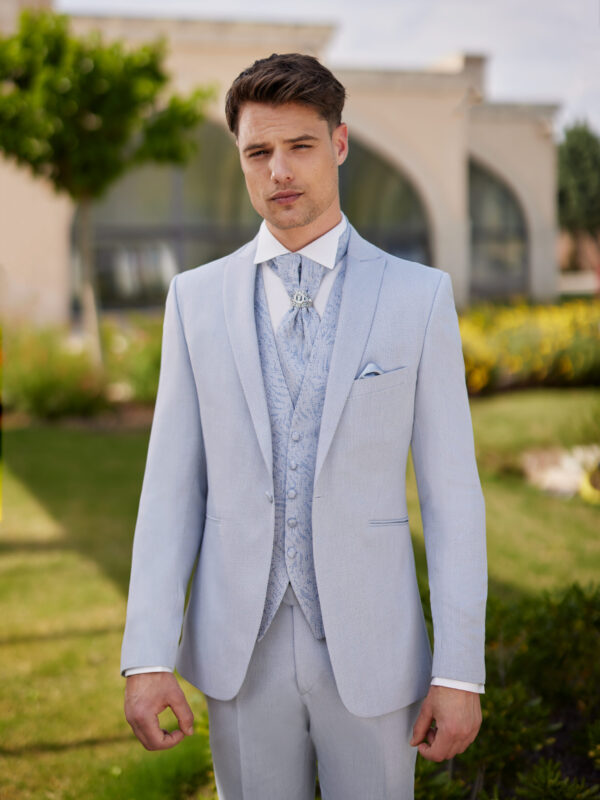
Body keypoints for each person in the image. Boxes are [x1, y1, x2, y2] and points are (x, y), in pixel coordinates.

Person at [121, 53, 487, 800]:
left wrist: (458, 670)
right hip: (238, 652)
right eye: (258, 152)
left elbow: (454, 498)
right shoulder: (194, 300)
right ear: (242, 160)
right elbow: (169, 492)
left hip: (376, 648)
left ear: (340, 144)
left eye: (300, 146)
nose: (279, 170)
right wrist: (147, 655)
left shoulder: (418, 297)